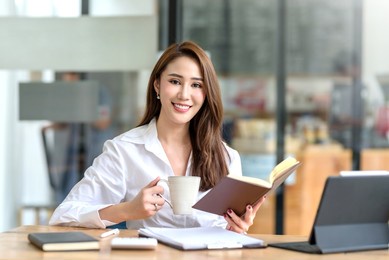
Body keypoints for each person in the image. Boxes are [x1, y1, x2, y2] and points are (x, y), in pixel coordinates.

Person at [49, 41, 265, 234]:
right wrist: (127, 210)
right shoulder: (124, 150)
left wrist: (237, 229)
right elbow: (64, 216)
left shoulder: (226, 157)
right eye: (175, 81)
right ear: (157, 85)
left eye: (196, 85)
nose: (184, 94)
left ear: (206, 94)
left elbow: (229, 237)